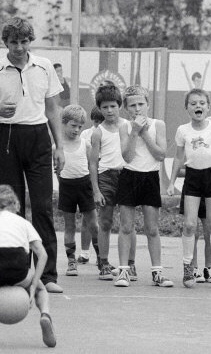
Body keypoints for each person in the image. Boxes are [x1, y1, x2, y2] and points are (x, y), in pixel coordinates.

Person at [0, 17, 64, 293]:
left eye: (24, 41)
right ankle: (17, 272)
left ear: (30, 41)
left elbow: (52, 109)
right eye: (13, 42)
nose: (19, 47)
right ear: (5, 43)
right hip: (8, 137)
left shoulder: (45, 66)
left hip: (38, 137)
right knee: (11, 209)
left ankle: (47, 275)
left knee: (42, 206)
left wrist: (59, 146)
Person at [0, 185, 56, 349]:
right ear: (15, 204)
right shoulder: (23, 222)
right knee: (42, 290)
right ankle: (45, 316)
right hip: (18, 269)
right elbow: (42, 254)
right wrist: (34, 284)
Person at [167, 88, 211, 288]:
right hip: (192, 178)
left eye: (201, 103)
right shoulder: (183, 130)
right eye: (193, 103)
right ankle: (188, 267)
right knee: (190, 225)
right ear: (187, 108)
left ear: (208, 107)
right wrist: (171, 181)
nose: (197, 106)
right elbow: (178, 157)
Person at [115, 86, 173, 288]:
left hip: (150, 178)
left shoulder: (159, 124)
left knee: (152, 229)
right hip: (129, 177)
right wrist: (134, 132)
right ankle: (123, 272)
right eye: (132, 105)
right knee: (126, 226)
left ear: (148, 105)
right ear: (126, 109)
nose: (137, 108)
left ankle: (157, 272)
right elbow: (127, 156)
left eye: (141, 104)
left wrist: (144, 132)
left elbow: (160, 154)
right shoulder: (124, 127)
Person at [89, 84, 127, 280]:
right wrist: (96, 190)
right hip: (106, 178)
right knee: (105, 221)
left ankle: (129, 265)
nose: (109, 110)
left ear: (119, 105)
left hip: (127, 175)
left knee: (128, 224)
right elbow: (93, 164)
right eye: (105, 107)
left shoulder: (128, 127)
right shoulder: (98, 132)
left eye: (113, 106)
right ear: (100, 108)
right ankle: (103, 262)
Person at [57, 105, 97, 277]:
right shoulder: (56, 147)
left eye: (80, 126)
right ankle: (71, 261)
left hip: (85, 185)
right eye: (73, 125)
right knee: (70, 226)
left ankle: (102, 260)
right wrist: (63, 182)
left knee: (93, 224)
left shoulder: (85, 144)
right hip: (66, 186)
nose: (77, 129)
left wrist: (94, 189)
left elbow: (92, 166)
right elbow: (57, 170)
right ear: (64, 123)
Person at [77, 106, 103, 265]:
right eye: (96, 121)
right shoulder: (85, 134)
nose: (98, 124)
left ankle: (103, 255)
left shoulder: (110, 133)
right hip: (88, 176)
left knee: (102, 219)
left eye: (101, 121)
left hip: (105, 175)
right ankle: (85, 253)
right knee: (88, 217)